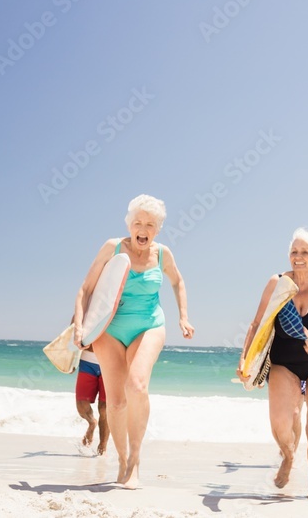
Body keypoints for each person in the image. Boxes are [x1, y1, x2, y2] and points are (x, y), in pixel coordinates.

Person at [72, 194, 194, 489]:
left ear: (157, 229)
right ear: (129, 225)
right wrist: (79, 326)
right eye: (137, 222)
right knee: (115, 402)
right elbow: (86, 289)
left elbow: (178, 281)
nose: (143, 228)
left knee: (137, 385)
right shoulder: (112, 248)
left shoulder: (163, 254)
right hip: (109, 330)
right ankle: (122, 460)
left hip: (149, 325)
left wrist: (183, 316)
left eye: (150, 224)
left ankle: (136, 463)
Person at [237, 228, 308, 499]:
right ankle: (287, 455)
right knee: (281, 422)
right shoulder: (278, 282)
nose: (298, 257)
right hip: (284, 362)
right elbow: (257, 323)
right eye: (294, 251)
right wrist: (245, 359)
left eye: (305, 252)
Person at [75, 349, 109, 456]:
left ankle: (102, 446)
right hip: (87, 361)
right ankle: (92, 423)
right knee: (81, 404)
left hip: (110, 362)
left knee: (104, 408)